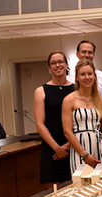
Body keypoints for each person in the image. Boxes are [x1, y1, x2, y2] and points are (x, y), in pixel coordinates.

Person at [62, 59, 102, 173]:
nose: (87, 77)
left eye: (90, 74)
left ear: (94, 76)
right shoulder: (69, 100)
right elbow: (67, 132)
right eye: (83, 74)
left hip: (99, 149)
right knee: (82, 187)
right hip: (80, 150)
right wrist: (84, 155)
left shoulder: (101, 101)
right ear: (77, 77)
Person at [34, 51, 74, 187]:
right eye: (53, 63)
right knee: (54, 196)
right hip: (51, 149)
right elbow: (40, 124)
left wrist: (68, 146)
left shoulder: (75, 89)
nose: (57, 65)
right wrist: (57, 148)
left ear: (67, 64)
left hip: (74, 147)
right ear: (49, 67)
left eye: (60, 62)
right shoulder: (41, 91)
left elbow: (79, 122)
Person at [67, 40, 102, 108]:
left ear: (93, 55)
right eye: (83, 52)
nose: (87, 55)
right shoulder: (68, 77)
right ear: (77, 54)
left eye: (90, 52)